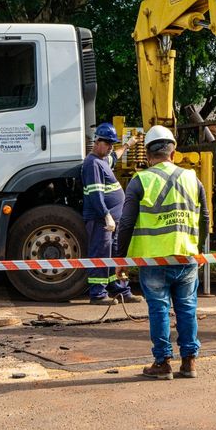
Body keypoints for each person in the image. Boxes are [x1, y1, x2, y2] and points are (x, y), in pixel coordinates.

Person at [117, 125, 209, 380]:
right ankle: (189, 362)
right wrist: (198, 249)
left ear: (148, 155)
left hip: (154, 259)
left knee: (159, 309)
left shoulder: (140, 181)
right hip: (186, 256)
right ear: (174, 152)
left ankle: (162, 362)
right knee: (187, 308)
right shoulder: (192, 178)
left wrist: (120, 259)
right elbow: (204, 217)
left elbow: (125, 224)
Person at [82, 122, 143, 305]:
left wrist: (127, 145)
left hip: (113, 222)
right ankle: (98, 295)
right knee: (100, 256)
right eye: (107, 143)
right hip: (101, 221)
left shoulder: (103, 160)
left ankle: (121, 290)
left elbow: (114, 157)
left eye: (112, 143)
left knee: (116, 256)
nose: (110, 147)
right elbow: (95, 194)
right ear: (97, 142)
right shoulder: (92, 164)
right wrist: (106, 215)